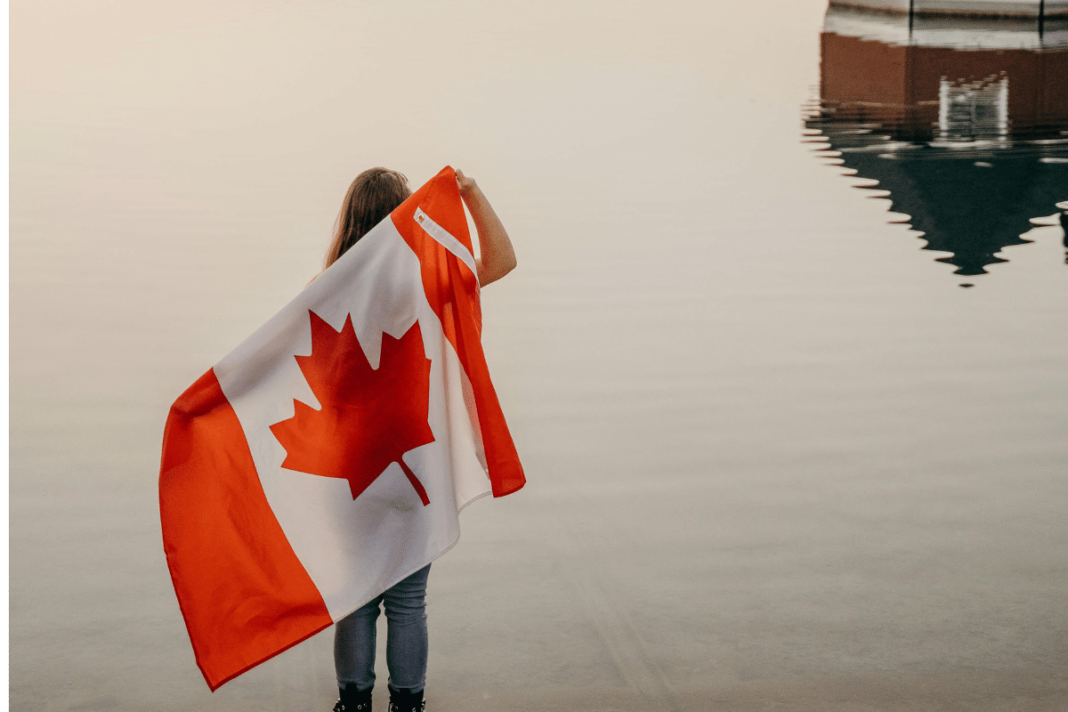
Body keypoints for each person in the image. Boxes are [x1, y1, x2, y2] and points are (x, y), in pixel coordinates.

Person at [324, 167, 517, 712]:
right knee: (408, 602)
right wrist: (474, 193)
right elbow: (502, 262)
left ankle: (352, 704)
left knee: (356, 599)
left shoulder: (327, 292)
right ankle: (407, 706)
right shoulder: (430, 287)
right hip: (413, 465)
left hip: (350, 471)